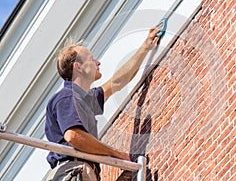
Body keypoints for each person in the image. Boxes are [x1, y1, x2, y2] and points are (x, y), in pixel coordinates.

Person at [45, 26, 161, 180]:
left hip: (82, 172)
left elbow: (118, 81)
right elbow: (73, 136)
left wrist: (145, 47)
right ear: (77, 67)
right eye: (91, 59)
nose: (98, 62)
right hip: (72, 170)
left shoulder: (86, 99)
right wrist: (116, 154)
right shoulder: (66, 97)